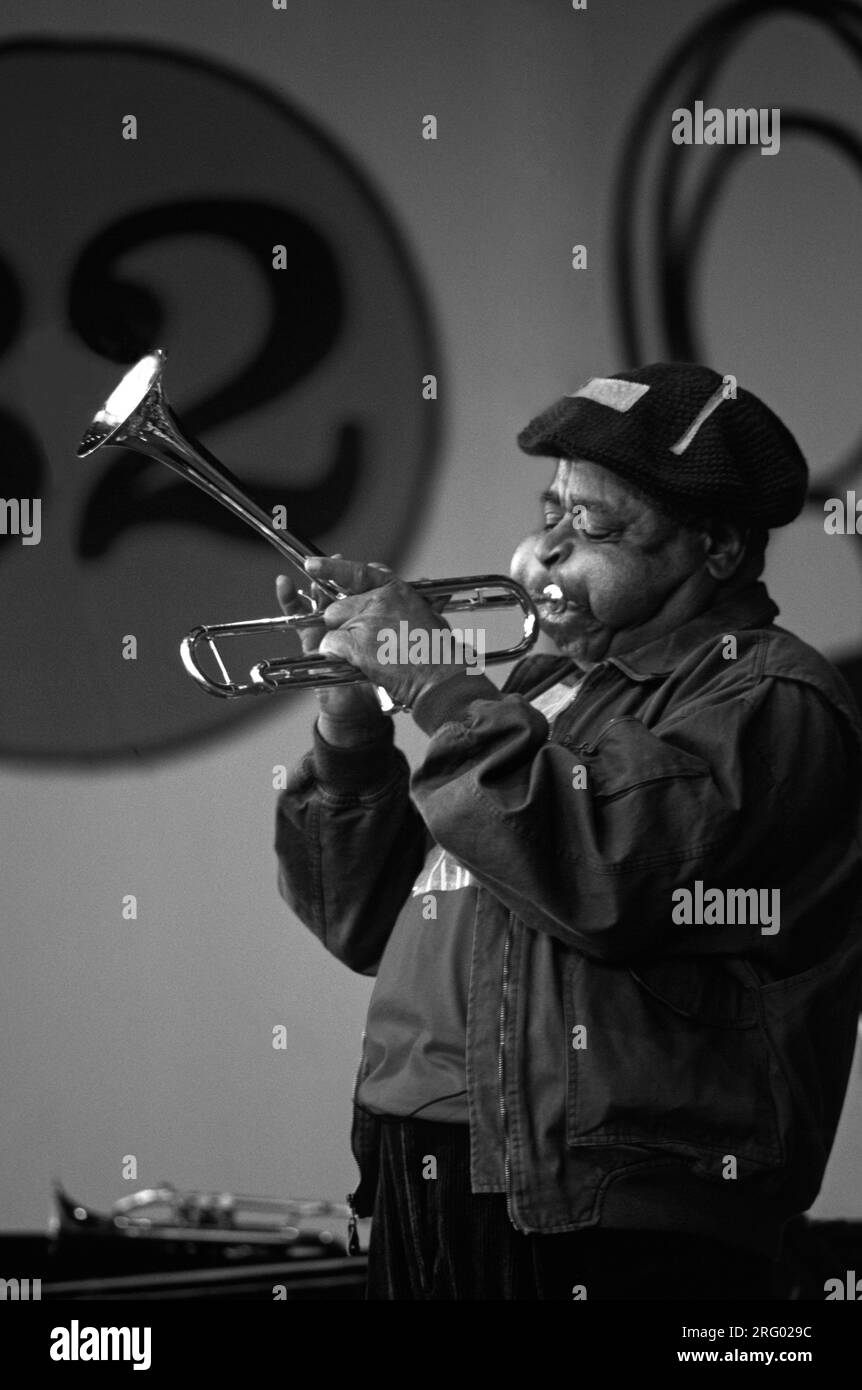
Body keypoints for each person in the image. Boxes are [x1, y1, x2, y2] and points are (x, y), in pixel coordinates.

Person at [274, 363, 862, 1300]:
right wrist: (351, 729)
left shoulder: (766, 697)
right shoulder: (535, 693)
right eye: (549, 511)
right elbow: (363, 921)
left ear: (713, 546)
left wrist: (434, 680)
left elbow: (609, 870)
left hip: (615, 1211)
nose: (541, 551)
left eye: (593, 526)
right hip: (427, 1177)